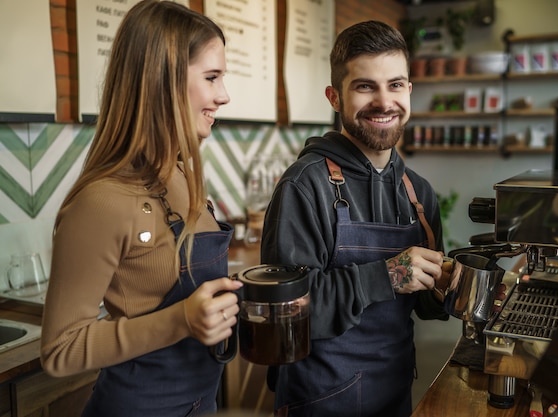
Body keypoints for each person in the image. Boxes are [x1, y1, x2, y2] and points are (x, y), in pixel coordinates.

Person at [40, 2, 242, 416]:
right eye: (211, 77)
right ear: (163, 81)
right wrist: (180, 320)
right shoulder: (102, 200)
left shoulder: (184, 176)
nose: (223, 95)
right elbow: (60, 350)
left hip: (201, 402)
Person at [260, 20, 452, 417]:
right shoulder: (304, 186)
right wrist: (389, 274)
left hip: (395, 392)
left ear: (409, 91)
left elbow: (426, 308)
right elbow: (284, 314)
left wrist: (453, 285)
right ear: (334, 97)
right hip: (320, 399)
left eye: (395, 85)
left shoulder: (418, 193)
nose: (384, 102)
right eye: (365, 86)